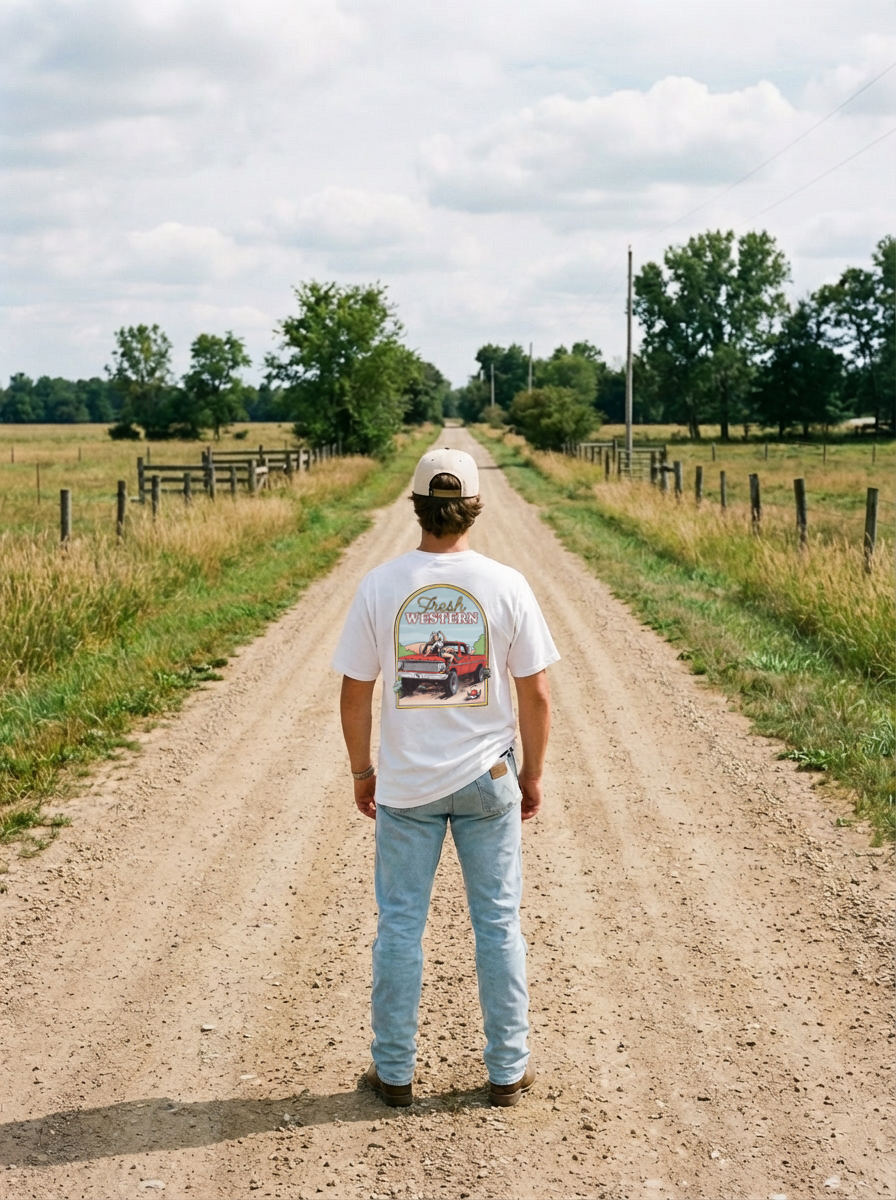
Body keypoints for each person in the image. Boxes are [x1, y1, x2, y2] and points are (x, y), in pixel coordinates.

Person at [332, 447, 558, 1108]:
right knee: (498, 923)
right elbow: (537, 695)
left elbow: (354, 693)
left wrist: (362, 772)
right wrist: (533, 775)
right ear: (474, 509)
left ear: (416, 506)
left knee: (401, 925)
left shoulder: (381, 585)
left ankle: (394, 1074)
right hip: (490, 777)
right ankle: (508, 1071)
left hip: (406, 787)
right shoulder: (507, 584)